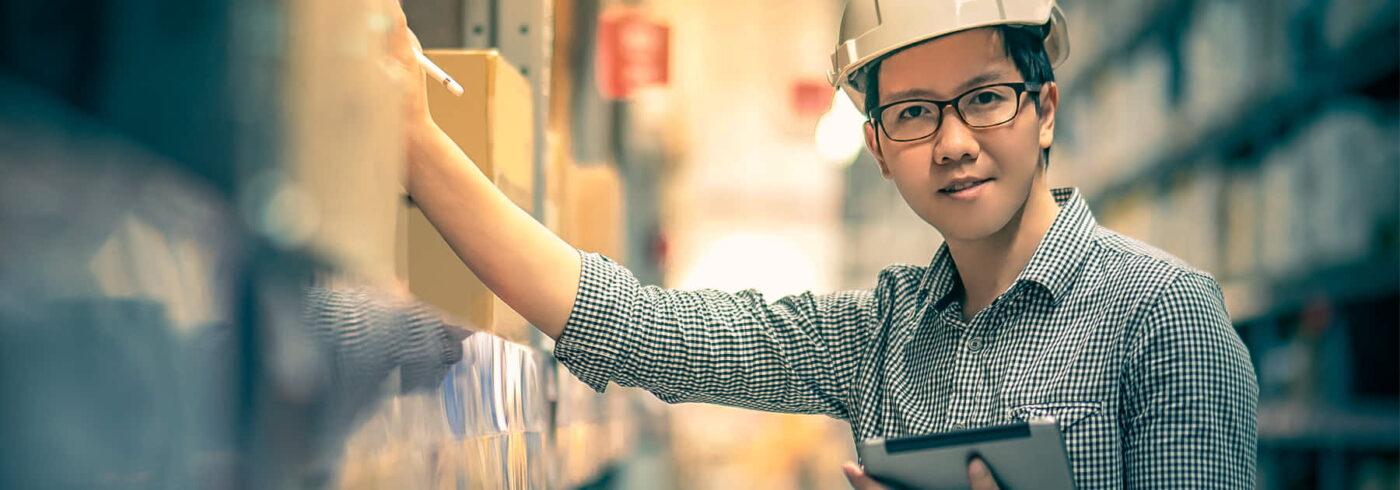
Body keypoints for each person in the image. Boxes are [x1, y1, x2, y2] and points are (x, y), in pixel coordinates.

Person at [385, 0, 1258, 487]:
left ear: (1045, 111)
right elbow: (636, 327)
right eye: (914, 113)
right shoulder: (881, 336)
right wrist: (419, 147)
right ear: (879, 147)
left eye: (986, 96)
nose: (953, 142)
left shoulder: (1164, 319)